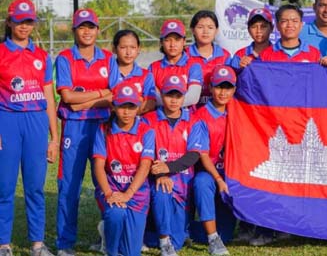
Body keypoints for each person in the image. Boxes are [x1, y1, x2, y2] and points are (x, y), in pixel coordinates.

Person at [0, 0, 58, 256]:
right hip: (8, 121)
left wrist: (54, 137)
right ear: (9, 22)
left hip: (36, 122)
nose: (24, 26)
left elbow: (49, 97)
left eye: (28, 21)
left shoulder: (42, 56)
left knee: (35, 186)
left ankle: (37, 243)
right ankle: (4, 244)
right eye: (18, 21)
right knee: (5, 186)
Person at [55, 8, 114, 255]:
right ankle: (65, 244)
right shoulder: (65, 57)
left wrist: (83, 101)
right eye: (82, 27)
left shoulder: (109, 58)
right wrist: (101, 93)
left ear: (98, 30)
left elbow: (115, 96)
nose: (87, 31)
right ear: (74, 30)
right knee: (69, 187)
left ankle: (108, 237)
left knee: (106, 184)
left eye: (91, 26)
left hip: (103, 127)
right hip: (75, 129)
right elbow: (67, 96)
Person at [146, 75, 206, 256]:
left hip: (183, 183)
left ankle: (155, 236)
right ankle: (163, 241)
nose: (173, 100)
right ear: (161, 96)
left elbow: (194, 154)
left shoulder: (194, 120)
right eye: (168, 95)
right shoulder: (149, 120)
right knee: (161, 192)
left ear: (184, 97)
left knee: (178, 242)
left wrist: (168, 168)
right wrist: (159, 174)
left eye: (178, 95)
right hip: (157, 180)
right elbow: (145, 154)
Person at [92, 83, 155, 256]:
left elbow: (145, 166)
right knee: (116, 214)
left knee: (132, 252)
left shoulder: (146, 130)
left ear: (139, 106)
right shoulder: (104, 129)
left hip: (137, 194)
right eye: (121, 106)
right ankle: (110, 250)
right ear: (113, 106)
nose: (126, 112)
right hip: (111, 190)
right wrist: (109, 193)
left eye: (131, 106)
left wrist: (129, 194)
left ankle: (108, 231)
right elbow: (98, 165)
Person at [193, 65, 237, 255]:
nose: (223, 92)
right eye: (219, 87)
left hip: (231, 171)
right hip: (210, 172)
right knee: (202, 182)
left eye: (228, 87)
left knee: (226, 234)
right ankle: (212, 239)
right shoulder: (201, 115)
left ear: (234, 89)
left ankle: (189, 230)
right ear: (210, 88)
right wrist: (218, 179)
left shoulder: (238, 112)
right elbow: (202, 155)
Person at [149, 19, 202, 108]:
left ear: (184, 41)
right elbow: (153, 98)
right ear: (161, 42)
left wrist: (168, 102)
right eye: (168, 40)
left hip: (187, 118)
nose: (172, 44)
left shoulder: (193, 66)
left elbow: (193, 97)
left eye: (177, 39)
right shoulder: (153, 68)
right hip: (161, 118)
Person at [187, 11, 231, 106]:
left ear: (216, 30)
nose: (205, 32)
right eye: (200, 27)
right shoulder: (184, 55)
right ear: (192, 30)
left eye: (210, 27)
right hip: (190, 111)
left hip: (217, 109)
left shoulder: (225, 56)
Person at [260, 0, 323, 64]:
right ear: (277, 26)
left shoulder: (314, 54)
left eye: (294, 21)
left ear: (301, 25)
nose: (290, 25)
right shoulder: (265, 55)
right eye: (284, 21)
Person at [109, 29, 157, 114]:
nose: (128, 52)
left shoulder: (146, 75)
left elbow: (150, 104)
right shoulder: (107, 73)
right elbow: (102, 101)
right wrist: (138, 99)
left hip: (137, 125)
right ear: (114, 49)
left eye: (133, 47)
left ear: (138, 49)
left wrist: (126, 114)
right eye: (123, 47)